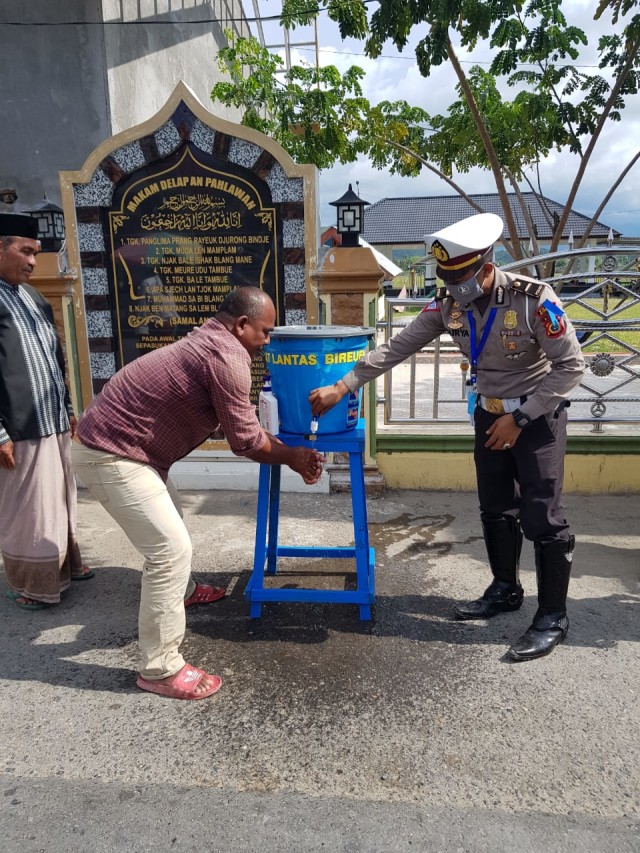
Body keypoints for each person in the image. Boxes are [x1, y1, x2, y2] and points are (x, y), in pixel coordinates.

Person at [310, 213, 585, 662]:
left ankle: (552, 616)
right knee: (495, 506)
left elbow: (571, 367)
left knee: (542, 516)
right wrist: (344, 385)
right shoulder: (448, 305)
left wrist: (522, 419)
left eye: (462, 275)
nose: (455, 284)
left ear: (486, 263)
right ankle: (504, 590)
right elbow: (398, 346)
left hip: (537, 419)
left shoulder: (532, 299)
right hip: (489, 415)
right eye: (447, 276)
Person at [73, 286, 324, 700]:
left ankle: (184, 593)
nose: (266, 342)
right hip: (110, 453)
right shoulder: (227, 357)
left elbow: (241, 422)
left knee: (172, 519)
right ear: (242, 325)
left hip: (128, 451)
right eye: (264, 331)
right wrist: (294, 456)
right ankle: (159, 668)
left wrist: (284, 449)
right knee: (169, 550)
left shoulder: (210, 339)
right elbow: (245, 442)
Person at [0, 213, 92, 611]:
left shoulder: (32, 297)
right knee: (30, 510)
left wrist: (68, 408)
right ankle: (32, 586)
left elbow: (56, 360)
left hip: (51, 422)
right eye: (25, 251)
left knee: (59, 500)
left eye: (36, 253)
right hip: (17, 430)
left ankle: (64, 569)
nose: (34, 262)